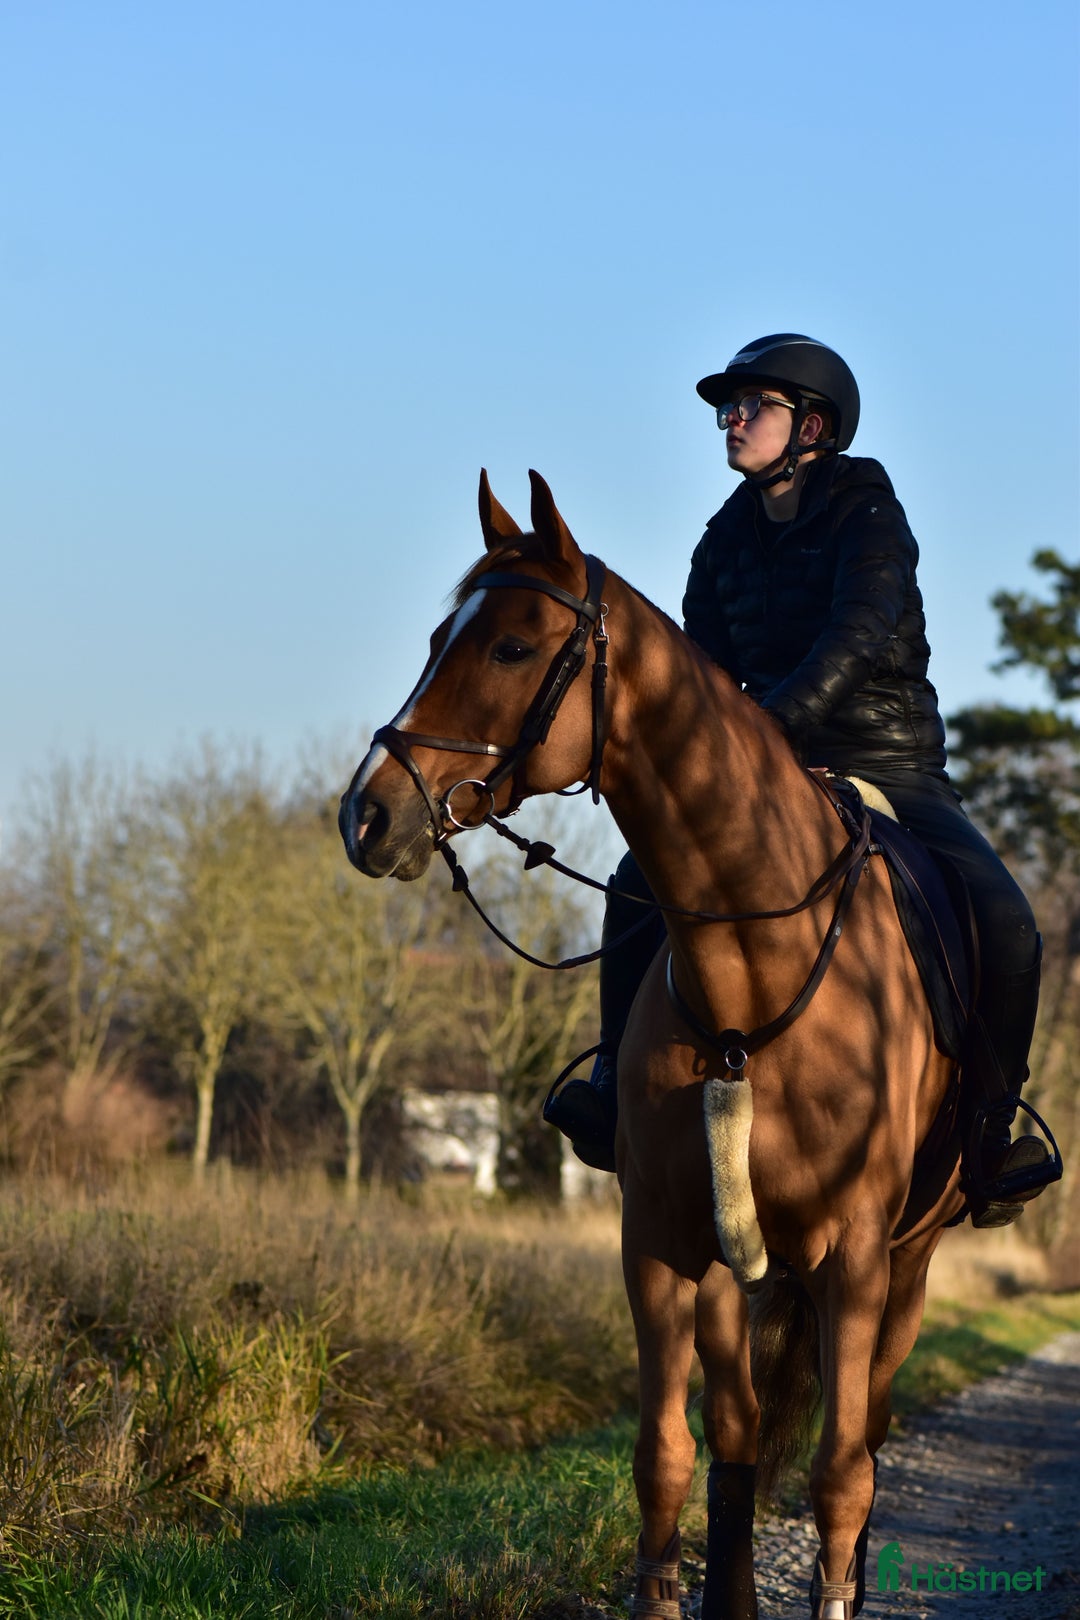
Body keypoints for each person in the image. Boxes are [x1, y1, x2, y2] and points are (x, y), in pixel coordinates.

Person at [544, 333, 1059, 1226]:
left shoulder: (869, 513)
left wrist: (766, 735)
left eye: (753, 405)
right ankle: (611, 1083)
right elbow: (704, 670)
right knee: (635, 882)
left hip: (889, 764)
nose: (731, 419)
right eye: (727, 406)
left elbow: (857, 637)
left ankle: (988, 1130)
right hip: (766, 768)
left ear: (811, 426)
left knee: (1010, 923)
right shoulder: (723, 539)